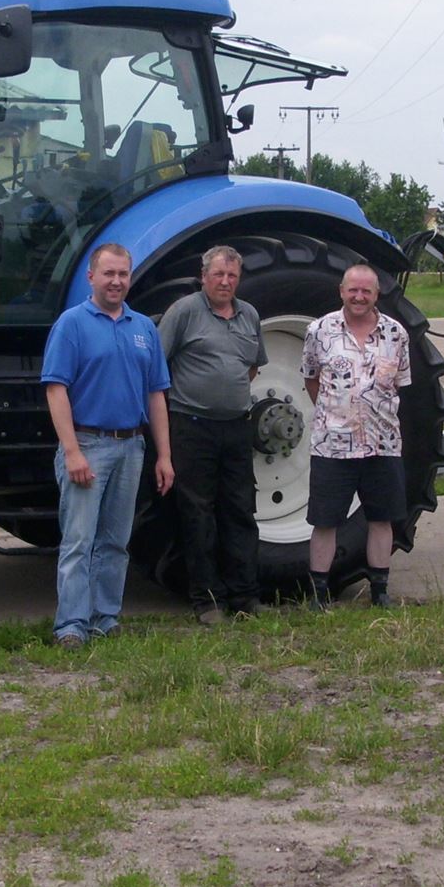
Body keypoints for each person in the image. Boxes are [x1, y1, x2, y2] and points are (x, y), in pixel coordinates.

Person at [42, 243, 174, 647]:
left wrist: (164, 455)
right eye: (108, 274)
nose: (116, 281)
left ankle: (105, 617)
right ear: (91, 277)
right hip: (87, 444)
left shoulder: (143, 328)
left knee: (116, 541)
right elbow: (56, 390)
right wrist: (72, 451)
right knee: (79, 541)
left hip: (131, 447)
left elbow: (156, 394)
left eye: (122, 274)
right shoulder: (71, 324)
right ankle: (70, 626)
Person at [159, 245, 268, 624]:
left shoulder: (249, 314)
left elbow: (251, 367)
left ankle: (246, 595)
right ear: (203, 276)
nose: (225, 282)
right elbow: (156, 364)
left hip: (237, 426)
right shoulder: (184, 312)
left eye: (232, 275)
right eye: (218, 274)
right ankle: (207, 601)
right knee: (198, 514)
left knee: (241, 511)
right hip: (192, 427)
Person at [300, 262, 411, 608]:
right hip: (332, 445)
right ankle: (319, 594)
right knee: (325, 521)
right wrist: (337, 414)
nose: (359, 297)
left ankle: (380, 590)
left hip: (383, 443)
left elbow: (399, 384)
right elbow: (311, 378)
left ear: (377, 294)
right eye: (353, 290)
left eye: (366, 291)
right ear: (341, 292)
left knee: (381, 518)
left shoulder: (396, 334)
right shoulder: (319, 331)